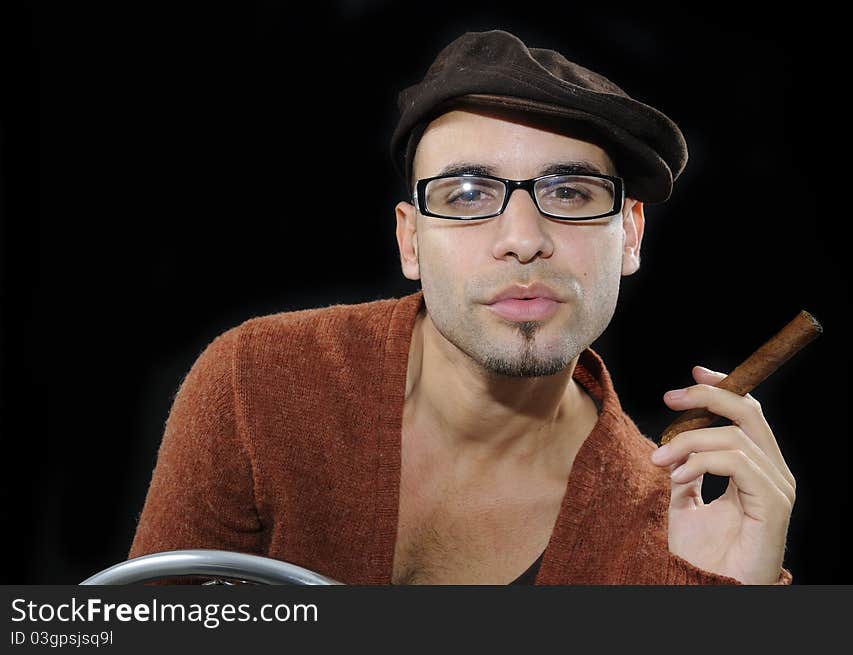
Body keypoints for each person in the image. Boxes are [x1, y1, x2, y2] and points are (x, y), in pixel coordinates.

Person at [128, 30, 795, 585]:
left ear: (630, 233)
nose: (523, 240)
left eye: (571, 192)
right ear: (410, 240)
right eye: (468, 193)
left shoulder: (673, 531)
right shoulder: (258, 381)